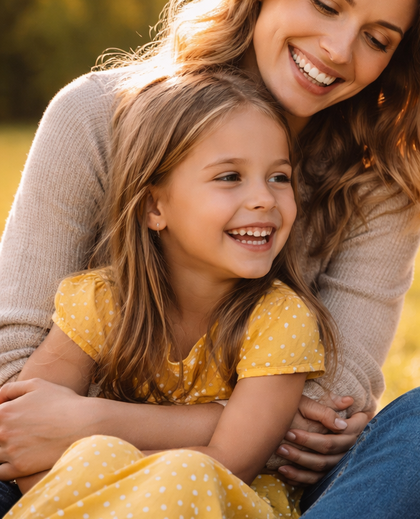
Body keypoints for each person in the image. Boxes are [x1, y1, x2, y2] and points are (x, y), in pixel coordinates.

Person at [0, 0, 420, 518]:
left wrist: (91, 415)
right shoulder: (98, 118)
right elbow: (18, 393)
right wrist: (209, 425)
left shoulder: (381, 181)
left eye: (378, 39)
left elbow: (312, 423)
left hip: (263, 490)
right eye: (325, 3)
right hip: (70, 475)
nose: (339, 50)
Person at [8, 69, 338, 517]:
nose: (264, 199)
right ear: (154, 207)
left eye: (279, 178)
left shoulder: (280, 319)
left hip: (219, 503)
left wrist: (108, 474)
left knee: (186, 471)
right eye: (229, 177)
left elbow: (231, 460)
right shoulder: (104, 302)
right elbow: (22, 434)